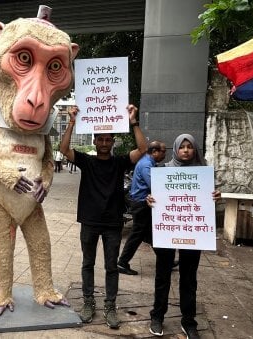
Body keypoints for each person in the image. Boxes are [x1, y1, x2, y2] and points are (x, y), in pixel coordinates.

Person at [60, 104, 147, 329]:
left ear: (113, 142)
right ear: (95, 142)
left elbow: (142, 149)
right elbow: (63, 149)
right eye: (101, 140)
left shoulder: (119, 163)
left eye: (109, 140)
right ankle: (88, 302)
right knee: (87, 264)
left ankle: (110, 305)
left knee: (111, 266)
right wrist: (71, 121)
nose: (105, 143)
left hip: (112, 223)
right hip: (89, 221)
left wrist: (133, 121)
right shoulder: (86, 162)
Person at [147, 134, 220, 339]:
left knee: (189, 278)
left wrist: (215, 196)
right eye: (182, 147)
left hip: (192, 233)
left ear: (195, 149)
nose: (186, 150)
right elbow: (156, 198)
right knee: (163, 276)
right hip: (168, 231)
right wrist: (150, 199)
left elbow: (208, 202)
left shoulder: (203, 173)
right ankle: (157, 316)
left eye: (190, 147)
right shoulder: (164, 171)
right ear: (176, 149)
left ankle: (189, 321)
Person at [117, 141, 167, 276]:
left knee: (150, 234)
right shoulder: (146, 165)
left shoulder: (147, 162)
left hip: (141, 203)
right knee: (137, 234)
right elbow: (154, 185)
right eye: (163, 151)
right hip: (141, 204)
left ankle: (166, 259)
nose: (164, 154)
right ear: (155, 151)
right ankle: (122, 262)